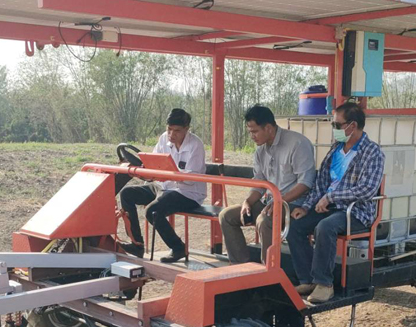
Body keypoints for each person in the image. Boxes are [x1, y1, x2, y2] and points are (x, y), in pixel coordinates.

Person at [287, 102, 384, 304]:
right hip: (328, 207)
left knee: (325, 227)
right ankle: (307, 279)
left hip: (355, 212)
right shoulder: (335, 150)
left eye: (337, 125)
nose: (334, 130)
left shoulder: (372, 152)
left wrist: (331, 197)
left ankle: (325, 284)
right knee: (296, 225)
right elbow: (321, 183)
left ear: (352, 125)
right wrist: (306, 206)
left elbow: (367, 190)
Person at [218, 105, 316, 264]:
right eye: (250, 131)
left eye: (255, 131)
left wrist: (280, 201)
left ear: (269, 128)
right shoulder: (260, 151)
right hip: (270, 203)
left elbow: (305, 183)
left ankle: (268, 272)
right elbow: (259, 184)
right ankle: (240, 267)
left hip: (294, 204)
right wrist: (247, 202)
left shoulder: (298, 143)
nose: (252, 136)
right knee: (226, 216)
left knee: (264, 221)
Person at [119, 108, 206, 263]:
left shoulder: (196, 145)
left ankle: (178, 248)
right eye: (169, 129)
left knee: (153, 211)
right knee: (127, 194)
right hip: (163, 185)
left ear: (187, 129)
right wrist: (144, 172)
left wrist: (166, 174)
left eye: (177, 131)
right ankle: (137, 244)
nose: (172, 135)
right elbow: (153, 164)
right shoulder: (163, 138)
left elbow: (191, 179)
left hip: (188, 193)